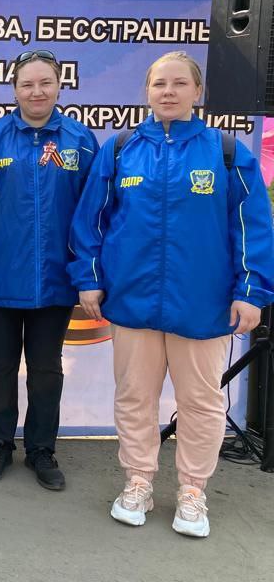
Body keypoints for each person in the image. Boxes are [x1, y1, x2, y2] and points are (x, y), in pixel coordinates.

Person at [70, 50, 274, 537]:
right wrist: (89, 278)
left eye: (180, 83)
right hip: (133, 302)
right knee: (134, 397)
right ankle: (138, 481)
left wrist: (251, 291)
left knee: (201, 401)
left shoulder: (227, 152)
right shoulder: (120, 150)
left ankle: (193, 491)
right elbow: (89, 222)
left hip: (202, 305)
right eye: (159, 83)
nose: (168, 91)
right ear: (147, 91)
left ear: (197, 92)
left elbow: (253, 227)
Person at [0, 49, 98, 490]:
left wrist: (87, 274)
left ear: (59, 86)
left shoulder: (81, 141)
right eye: (27, 84)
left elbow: (95, 214)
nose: (37, 92)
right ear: (14, 90)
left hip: (56, 279)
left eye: (45, 83)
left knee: (47, 368)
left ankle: (41, 450)